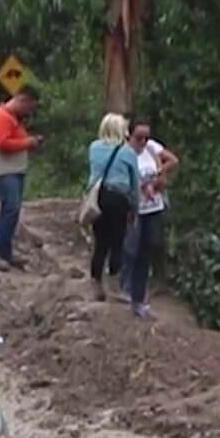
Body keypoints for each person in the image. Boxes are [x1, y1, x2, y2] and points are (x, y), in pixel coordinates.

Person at [123, 121, 179, 318]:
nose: (143, 142)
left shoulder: (152, 150)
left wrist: (160, 179)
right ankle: (126, 286)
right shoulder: (124, 154)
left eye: (146, 137)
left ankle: (139, 299)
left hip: (153, 208)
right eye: (139, 137)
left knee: (148, 249)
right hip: (133, 209)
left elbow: (171, 162)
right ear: (129, 135)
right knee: (131, 250)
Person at [0, 87, 41, 271]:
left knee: (13, 212)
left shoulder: (14, 119)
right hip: (5, 171)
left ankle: (5, 251)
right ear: (22, 100)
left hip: (15, 170)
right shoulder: (1, 117)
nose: (30, 113)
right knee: (10, 209)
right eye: (29, 108)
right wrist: (28, 143)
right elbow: (2, 143)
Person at [84, 113, 141, 302]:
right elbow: (135, 183)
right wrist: (135, 206)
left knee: (100, 242)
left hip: (99, 196)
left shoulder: (93, 147)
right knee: (117, 241)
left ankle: (96, 283)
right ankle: (115, 286)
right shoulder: (127, 152)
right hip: (118, 199)